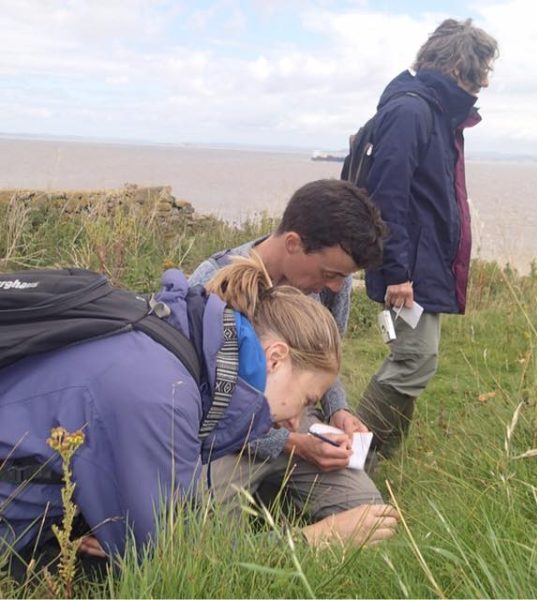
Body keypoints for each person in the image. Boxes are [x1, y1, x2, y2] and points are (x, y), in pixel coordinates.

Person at [0, 254, 398, 571]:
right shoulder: (162, 393)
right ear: (276, 359)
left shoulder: (184, 338)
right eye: (308, 399)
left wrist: (133, 532)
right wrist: (320, 538)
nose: (296, 422)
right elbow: (173, 561)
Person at [188, 179, 387, 520]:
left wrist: (338, 410)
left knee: (366, 511)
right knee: (194, 528)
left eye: (344, 277)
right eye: (331, 274)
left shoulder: (332, 284)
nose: (337, 287)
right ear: (293, 243)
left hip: (298, 418)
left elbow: (322, 364)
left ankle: (273, 490)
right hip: (227, 436)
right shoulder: (212, 282)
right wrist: (292, 445)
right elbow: (202, 413)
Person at [355, 18, 499, 458]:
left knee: (418, 358)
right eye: (480, 73)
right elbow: (388, 197)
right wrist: (396, 271)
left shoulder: (433, 113)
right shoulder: (413, 111)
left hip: (420, 265)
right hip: (409, 270)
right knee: (412, 359)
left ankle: (376, 456)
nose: (484, 84)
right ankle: (356, 461)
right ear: (458, 66)